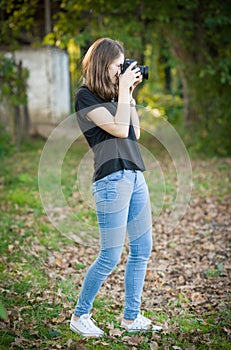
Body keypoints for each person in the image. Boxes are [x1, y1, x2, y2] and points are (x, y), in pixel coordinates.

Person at [70, 37, 161, 337]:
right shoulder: (85, 97)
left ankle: (131, 317)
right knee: (110, 255)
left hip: (135, 175)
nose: (122, 70)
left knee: (141, 249)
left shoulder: (114, 97)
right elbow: (118, 129)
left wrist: (129, 96)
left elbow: (133, 132)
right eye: (118, 66)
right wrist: (122, 92)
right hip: (111, 180)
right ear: (102, 64)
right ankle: (80, 314)